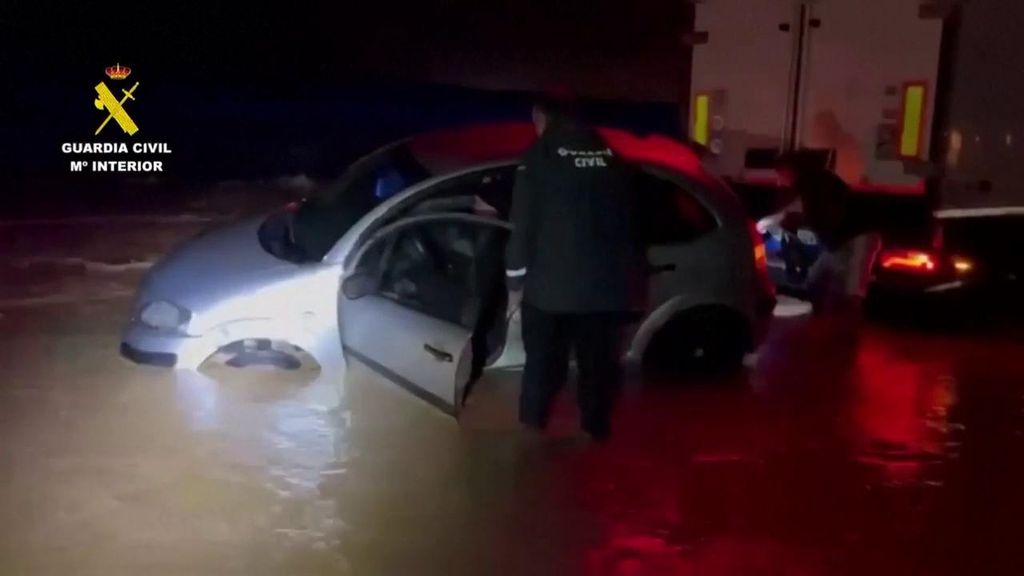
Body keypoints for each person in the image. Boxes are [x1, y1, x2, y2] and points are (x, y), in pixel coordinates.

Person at [505, 93, 644, 441]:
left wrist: (514, 281)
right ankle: (594, 435)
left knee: (540, 366)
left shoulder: (540, 158)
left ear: (541, 116)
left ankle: (530, 437)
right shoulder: (614, 159)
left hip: (550, 292)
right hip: (607, 291)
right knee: (597, 369)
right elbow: (631, 223)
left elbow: (523, 226)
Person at [776, 151, 881, 339]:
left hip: (857, 236)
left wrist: (800, 221)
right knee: (818, 279)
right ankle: (828, 331)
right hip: (842, 238)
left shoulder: (812, 184)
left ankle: (847, 336)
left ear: (790, 170)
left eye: (781, 173)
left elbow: (825, 215)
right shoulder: (814, 181)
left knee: (852, 291)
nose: (779, 179)